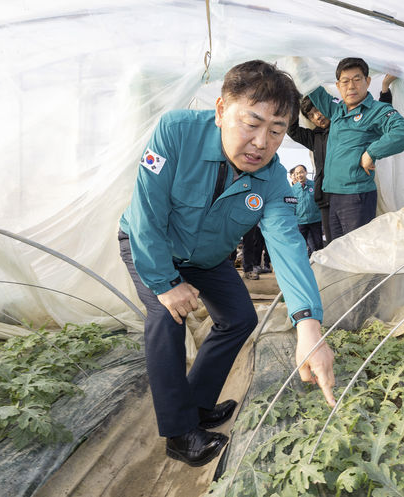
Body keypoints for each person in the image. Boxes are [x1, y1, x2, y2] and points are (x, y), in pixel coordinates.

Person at [117, 60, 335, 468]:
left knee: (239, 317)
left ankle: (197, 405)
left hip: (205, 257)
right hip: (152, 244)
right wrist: (165, 283)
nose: (260, 143)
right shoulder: (176, 131)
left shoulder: (273, 180)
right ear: (220, 111)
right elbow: (146, 211)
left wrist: (310, 327)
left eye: (276, 131)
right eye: (250, 124)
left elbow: (287, 244)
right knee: (166, 317)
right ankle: (179, 434)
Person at [306, 58, 404, 240]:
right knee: (338, 252)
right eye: (345, 81)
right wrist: (296, 57)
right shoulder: (336, 110)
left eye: (357, 79)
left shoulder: (377, 110)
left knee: (357, 253)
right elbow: (309, 85)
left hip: (356, 196)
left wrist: (371, 153)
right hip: (332, 195)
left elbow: (403, 132)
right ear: (338, 86)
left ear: (368, 81)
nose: (351, 86)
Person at [287, 74, 397, 245]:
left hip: (352, 194)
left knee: (359, 242)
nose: (317, 116)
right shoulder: (313, 138)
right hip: (325, 198)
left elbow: (377, 118)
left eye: (318, 110)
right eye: (311, 115)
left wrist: (384, 88)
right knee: (334, 245)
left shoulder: (350, 126)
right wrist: (295, 98)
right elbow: (292, 130)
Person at [290, 164, 323, 256]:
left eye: (301, 172)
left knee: (318, 245)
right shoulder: (293, 189)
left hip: (315, 220)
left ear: (306, 172)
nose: (299, 175)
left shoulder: (314, 185)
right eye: (297, 173)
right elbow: (291, 206)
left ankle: (319, 265)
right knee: (300, 246)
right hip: (300, 222)